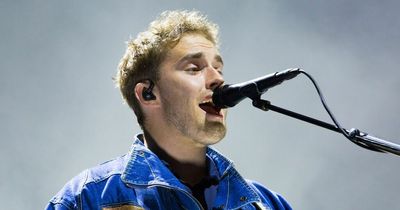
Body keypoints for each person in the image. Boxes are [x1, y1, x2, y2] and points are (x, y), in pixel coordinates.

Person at [46, 10, 292, 210]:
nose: (218, 80)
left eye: (219, 69)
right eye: (194, 68)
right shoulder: (87, 199)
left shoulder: (267, 204)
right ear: (148, 94)